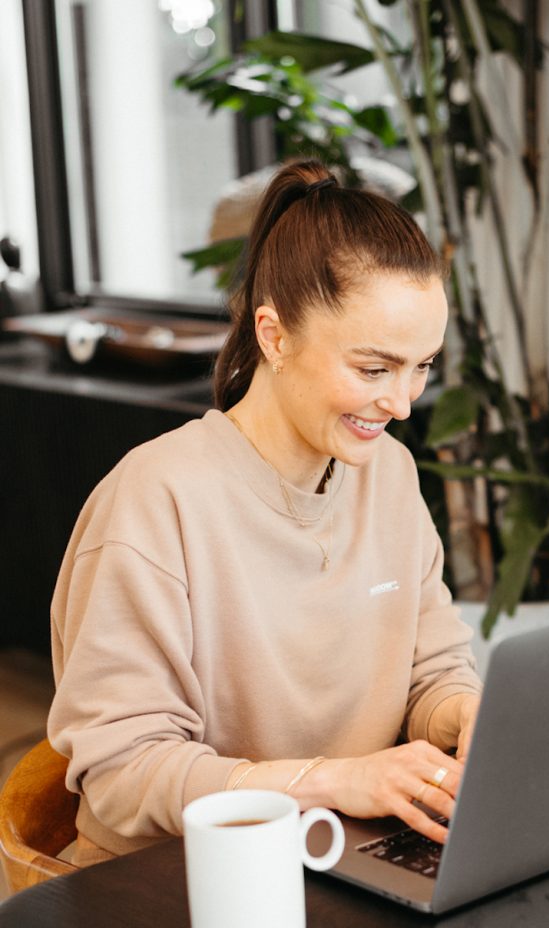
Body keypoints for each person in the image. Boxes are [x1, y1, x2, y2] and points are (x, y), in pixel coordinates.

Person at [47, 158, 482, 867]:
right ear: (275, 337)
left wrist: (465, 712)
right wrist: (329, 780)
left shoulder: (390, 475)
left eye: (422, 366)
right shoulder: (154, 502)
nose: (402, 403)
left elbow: (431, 672)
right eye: (374, 369)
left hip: (338, 860)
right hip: (166, 886)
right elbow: (123, 774)